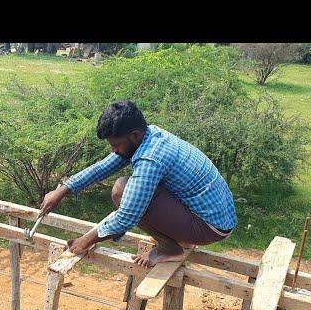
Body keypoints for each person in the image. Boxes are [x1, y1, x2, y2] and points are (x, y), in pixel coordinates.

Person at [39, 100, 237, 268]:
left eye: (116, 145)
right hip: (213, 216)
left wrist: (85, 241)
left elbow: (127, 216)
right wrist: (63, 190)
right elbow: (101, 168)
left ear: (134, 135)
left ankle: (170, 247)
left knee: (121, 190)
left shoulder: (151, 158)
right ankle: (177, 236)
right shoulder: (149, 137)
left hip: (210, 227)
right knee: (128, 189)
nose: (114, 150)